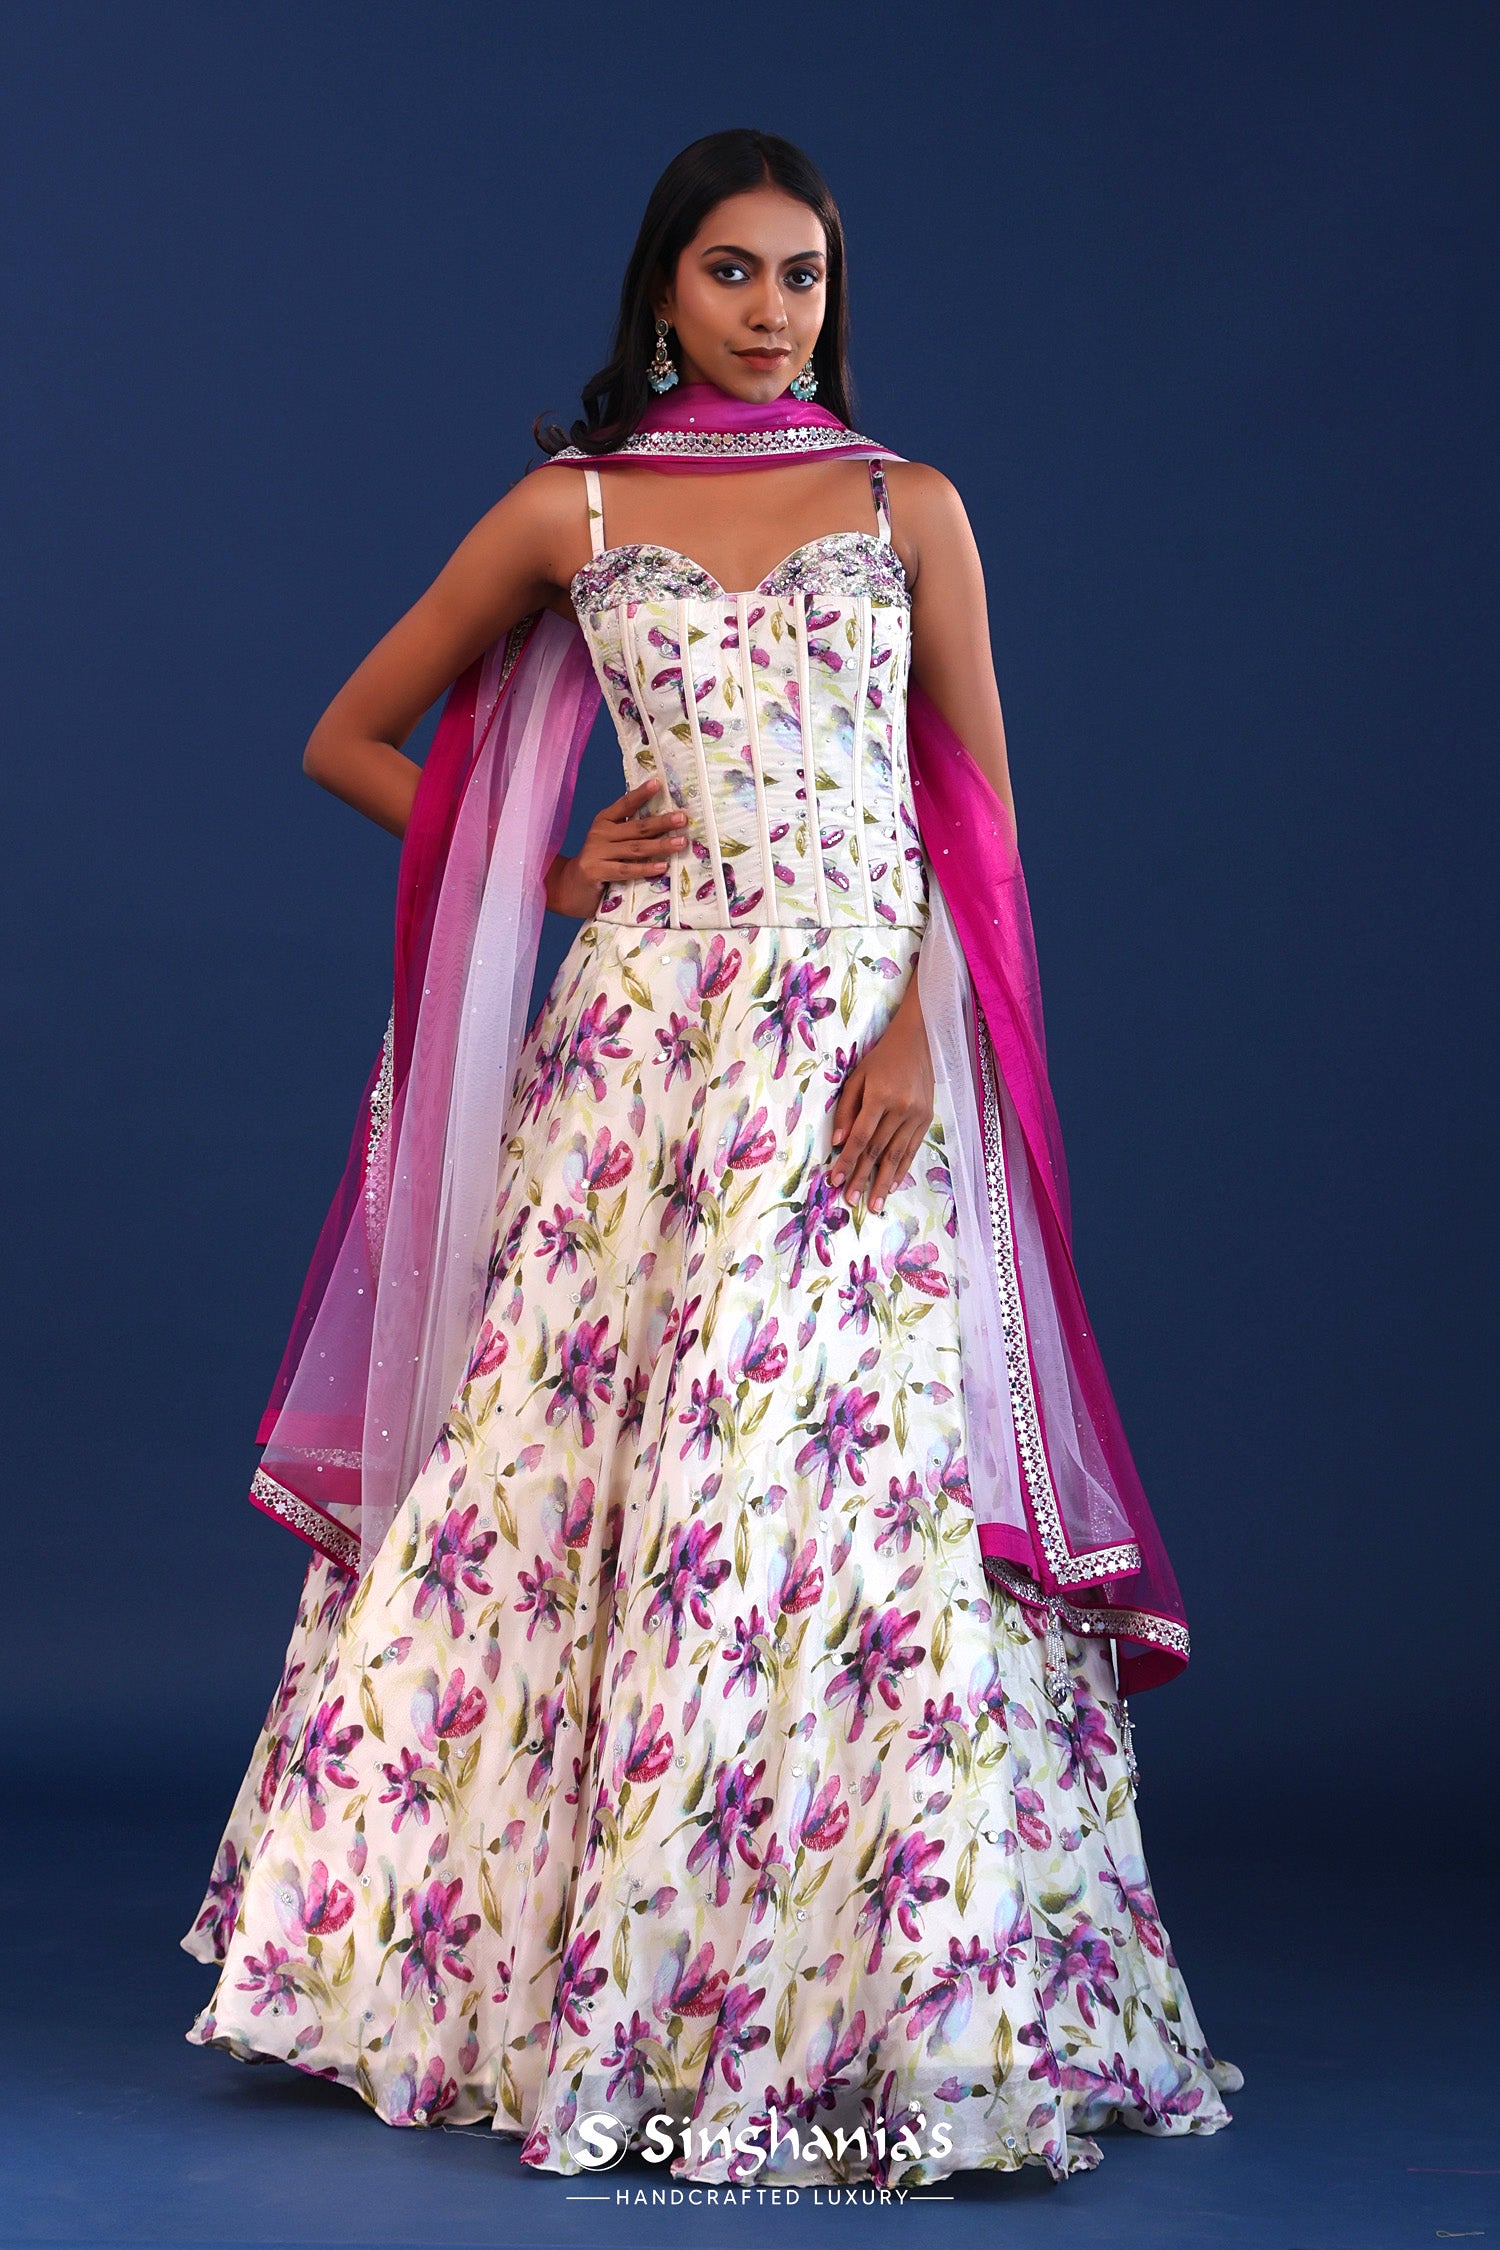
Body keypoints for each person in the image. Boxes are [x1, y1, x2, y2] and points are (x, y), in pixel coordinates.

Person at [181, 127, 1241, 2187]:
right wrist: (555, 869)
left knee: (825, 1489)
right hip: (643, 1059)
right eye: (734, 271)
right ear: (665, 289)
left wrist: (928, 1025)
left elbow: (980, 814)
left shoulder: (906, 502)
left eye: (804, 275)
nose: (772, 310)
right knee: (577, 1478)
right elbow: (351, 738)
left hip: (853, 1050)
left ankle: (869, 1997)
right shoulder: (572, 508)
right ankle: (537, 1979)